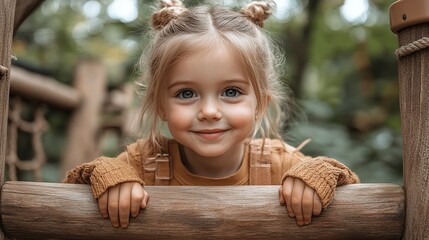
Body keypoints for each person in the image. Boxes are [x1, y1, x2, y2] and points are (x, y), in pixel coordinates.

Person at [65, 0, 359, 229]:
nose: (208, 112)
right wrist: (109, 176)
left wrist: (318, 174)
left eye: (231, 92)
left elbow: (350, 191)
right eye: (186, 93)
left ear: (260, 103)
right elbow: (71, 194)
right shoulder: (144, 163)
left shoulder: (279, 165)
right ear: (159, 106)